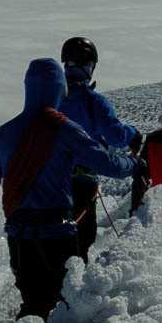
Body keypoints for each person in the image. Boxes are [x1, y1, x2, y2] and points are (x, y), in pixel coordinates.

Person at [0, 58, 141, 320]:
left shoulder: (2, 134)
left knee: (32, 301)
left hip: (18, 232)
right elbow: (108, 163)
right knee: (64, 302)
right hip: (58, 227)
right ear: (60, 90)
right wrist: (135, 164)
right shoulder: (65, 129)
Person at [58, 36, 142, 261]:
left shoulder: (49, 98)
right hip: (80, 184)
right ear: (89, 66)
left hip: (45, 183)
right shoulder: (92, 101)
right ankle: (68, 290)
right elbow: (116, 137)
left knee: (57, 236)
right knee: (79, 240)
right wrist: (134, 133)